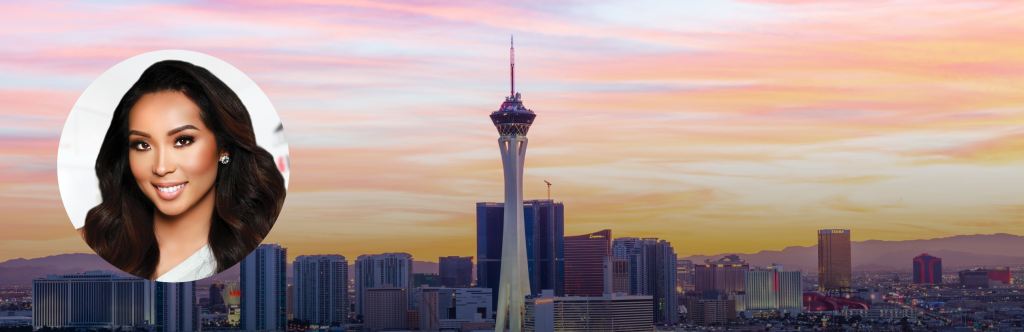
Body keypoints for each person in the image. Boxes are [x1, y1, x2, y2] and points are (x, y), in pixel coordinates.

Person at [82, 60, 286, 282]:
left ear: (223, 147)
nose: (161, 167)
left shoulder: (263, 250)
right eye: (142, 145)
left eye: (183, 140)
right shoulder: (92, 243)